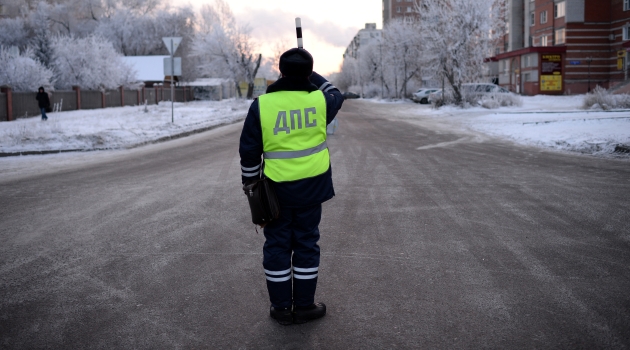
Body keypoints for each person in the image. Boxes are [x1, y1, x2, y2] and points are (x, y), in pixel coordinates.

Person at [239, 48, 344, 325]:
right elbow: (335, 91)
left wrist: (250, 185)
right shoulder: (321, 102)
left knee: (277, 247)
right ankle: (305, 306)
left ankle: (282, 309)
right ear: (308, 72)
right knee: (307, 245)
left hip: (276, 193)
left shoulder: (262, 106)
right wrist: (311, 76)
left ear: (281, 72)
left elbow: (249, 153)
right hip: (312, 190)